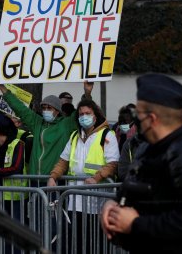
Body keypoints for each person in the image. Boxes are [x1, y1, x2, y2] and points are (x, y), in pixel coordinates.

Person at [101, 73, 182, 253]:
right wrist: (113, 207)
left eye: (139, 114)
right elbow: (135, 192)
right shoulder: (148, 149)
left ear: (152, 119)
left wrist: (136, 223)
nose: (136, 120)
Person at [48, 99, 119, 253]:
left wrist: (97, 178)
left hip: (98, 200)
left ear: (96, 115)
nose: (83, 116)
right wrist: (53, 176)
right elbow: (63, 161)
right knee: (77, 242)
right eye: (81, 114)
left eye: (88, 113)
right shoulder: (75, 136)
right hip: (75, 199)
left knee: (97, 243)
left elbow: (112, 164)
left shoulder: (107, 135)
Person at [0, 74, 94, 177]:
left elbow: (83, 110)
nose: (45, 110)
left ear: (57, 111)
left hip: (56, 180)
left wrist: (87, 94)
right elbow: (20, 108)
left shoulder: (66, 124)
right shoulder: (37, 123)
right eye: (43, 108)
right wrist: (1, 87)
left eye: (49, 108)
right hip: (35, 180)